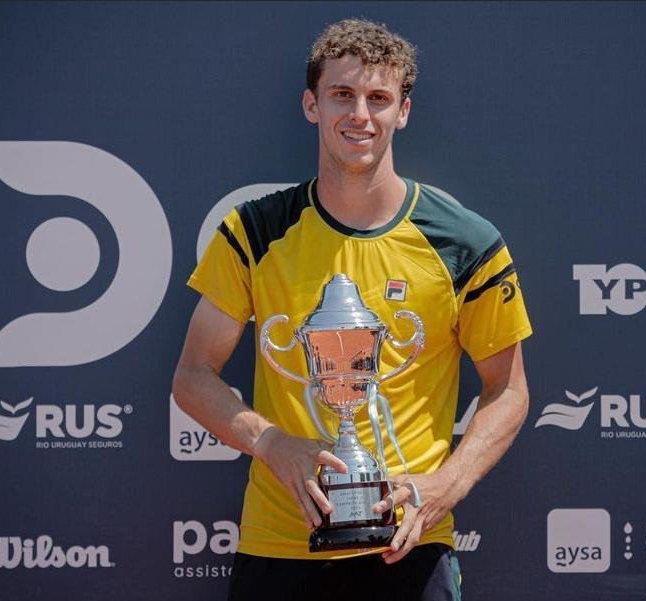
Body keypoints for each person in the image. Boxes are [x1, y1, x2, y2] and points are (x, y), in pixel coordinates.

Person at [172, 18, 532, 601]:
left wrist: (442, 486)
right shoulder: (255, 230)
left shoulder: (464, 242)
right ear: (311, 105)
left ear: (403, 111)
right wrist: (272, 443)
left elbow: (509, 390)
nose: (360, 115)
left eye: (379, 98)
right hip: (279, 545)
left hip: (409, 547)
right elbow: (192, 376)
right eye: (342, 94)